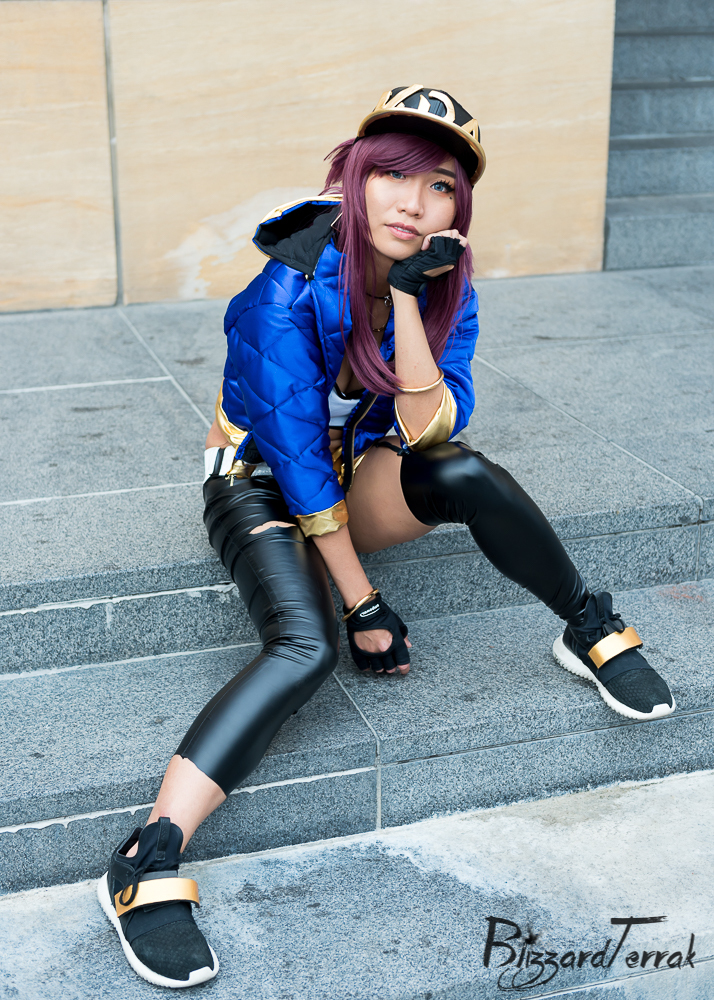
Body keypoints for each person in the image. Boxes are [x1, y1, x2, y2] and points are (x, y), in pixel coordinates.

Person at [97, 86, 675, 988]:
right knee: (306, 646)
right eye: (393, 176)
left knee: (465, 472)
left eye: (440, 185)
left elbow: (429, 426)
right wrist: (362, 603)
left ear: (459, 207)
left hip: (355, 470)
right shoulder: (283, 289)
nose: (413, 201)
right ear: (355, 179)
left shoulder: (443, 287)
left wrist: (409, 303)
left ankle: (587, 625)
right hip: (260, 481)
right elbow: (297, 464)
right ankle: (148, 854)